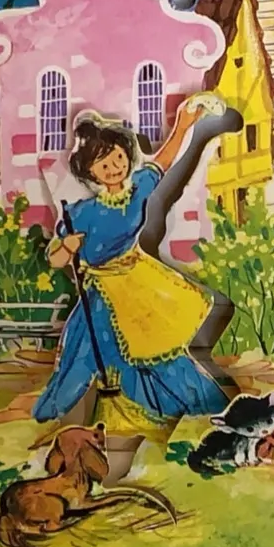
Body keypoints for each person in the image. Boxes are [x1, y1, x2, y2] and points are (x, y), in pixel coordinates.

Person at [34, 104, 230, 432]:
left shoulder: (138, 189)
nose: (114, 167)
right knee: (86, 352)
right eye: (103, 163)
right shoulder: (82, 212)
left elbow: (164, 160)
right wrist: (67, 246)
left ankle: (201, 406)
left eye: (118, 158)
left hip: (139, 280)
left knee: (161, 350)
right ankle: (77, 414)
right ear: (90, 171)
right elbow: (54, 258)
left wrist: (184, 124)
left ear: (127, 156)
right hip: (102, 293)